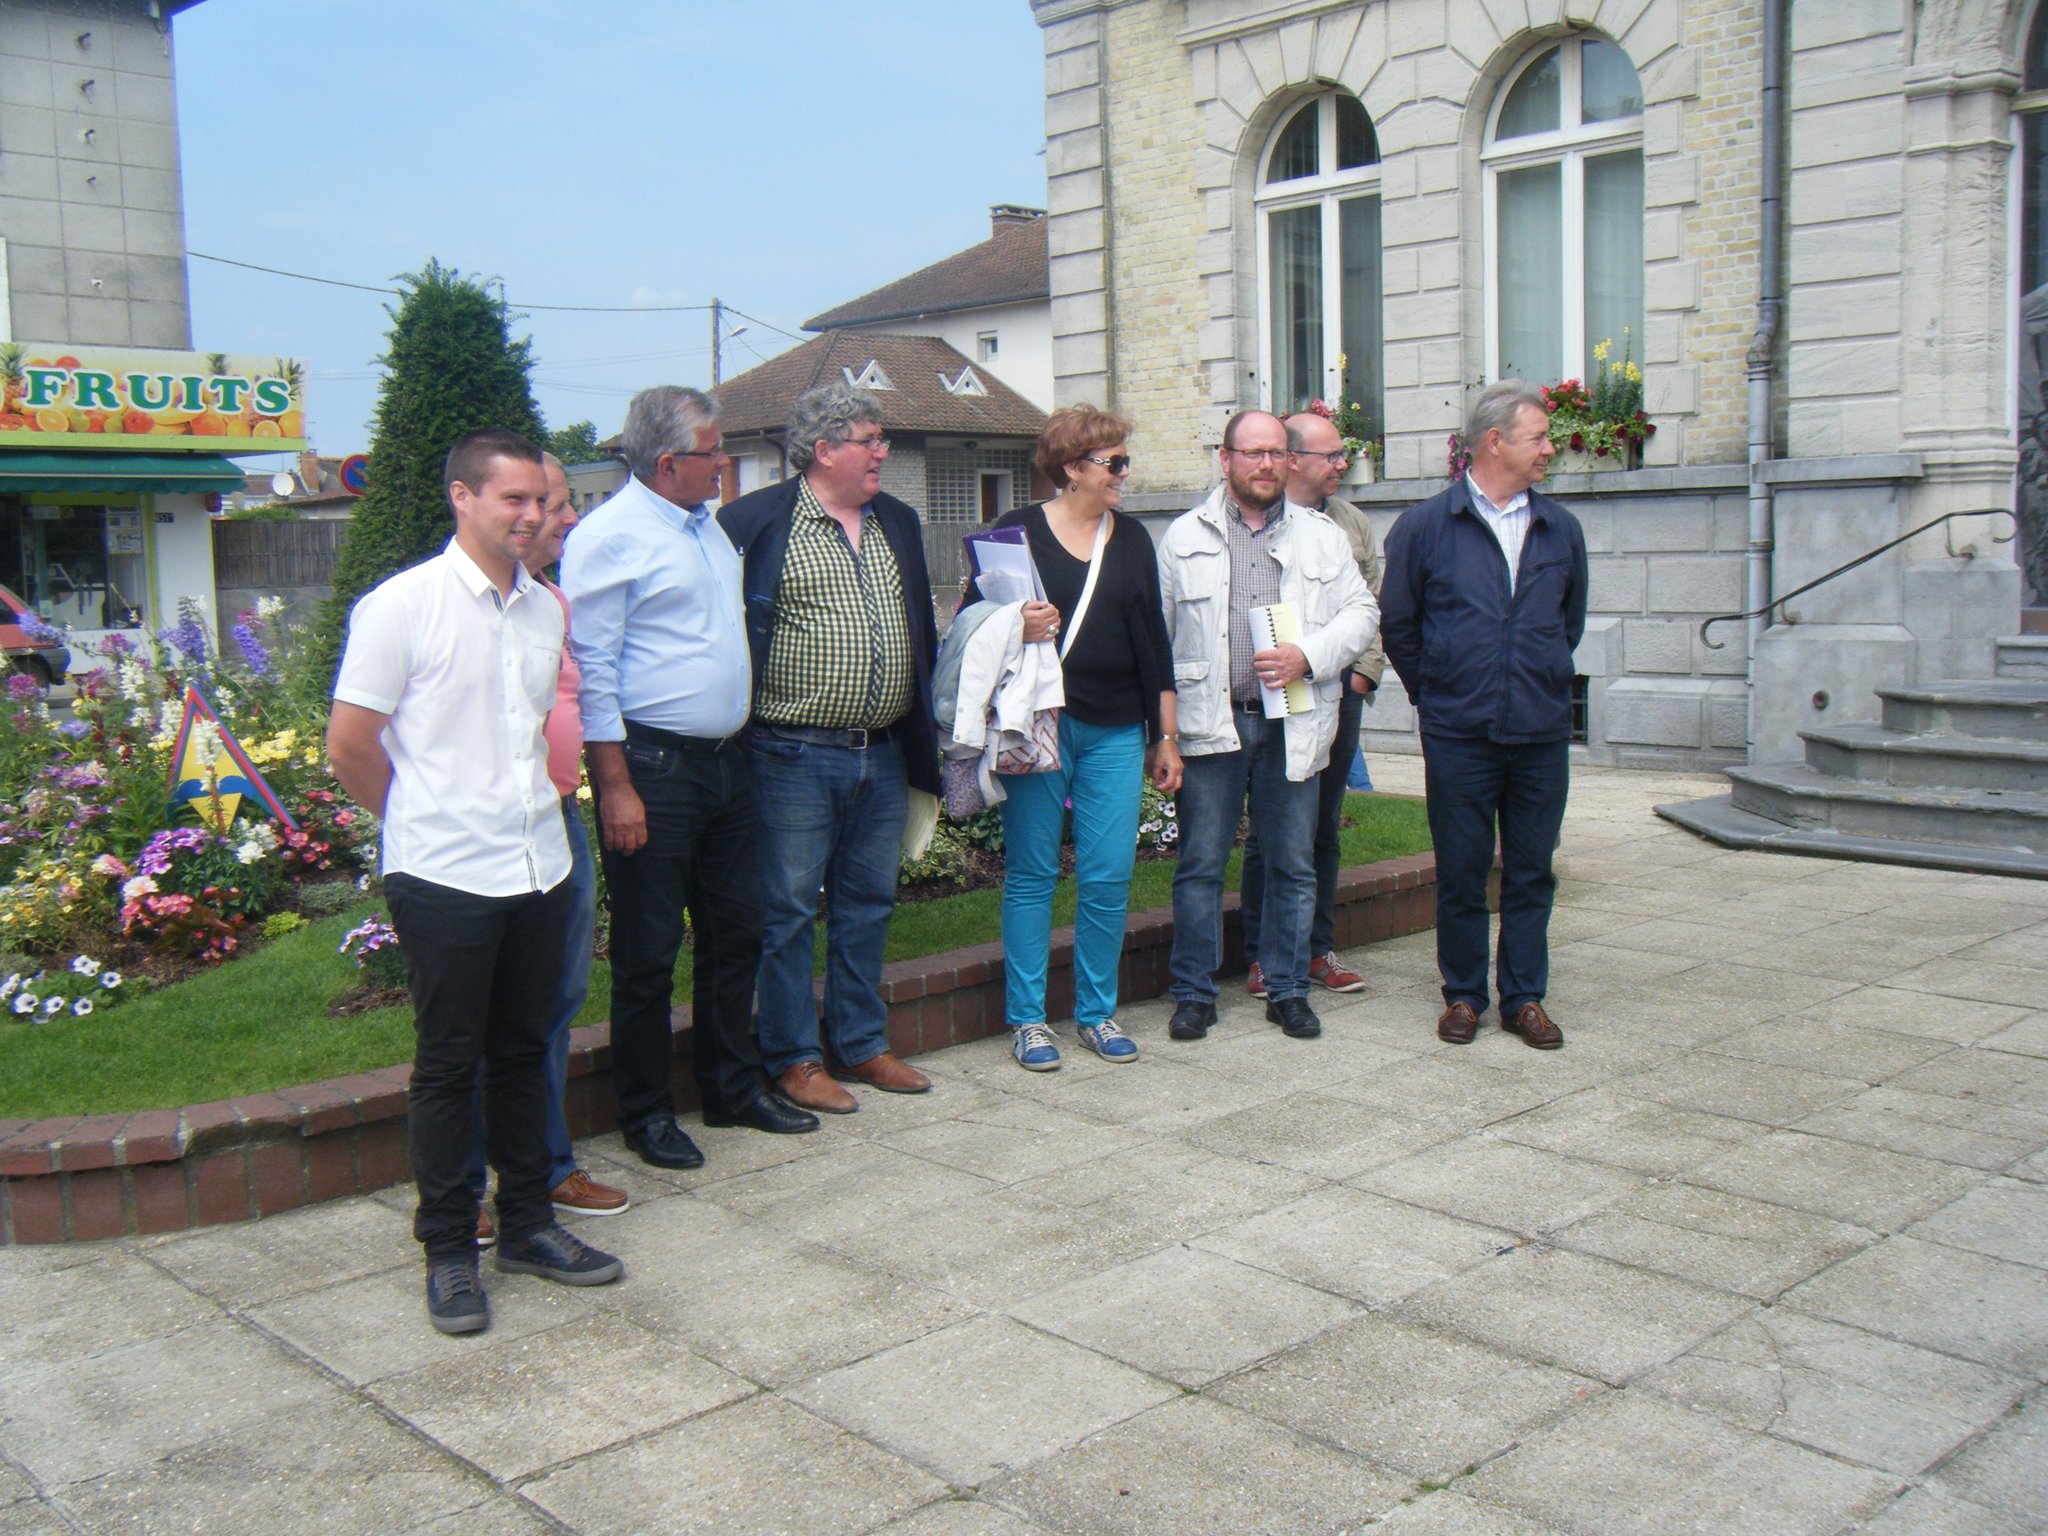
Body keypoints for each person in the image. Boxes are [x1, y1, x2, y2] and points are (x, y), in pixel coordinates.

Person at [328, 429, 622, 1336]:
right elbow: (350, 745)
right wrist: (419, 821)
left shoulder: (543, 609)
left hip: (538, 862)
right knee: (449, 1065)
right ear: (462, 498)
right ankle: (450, 1250)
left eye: (542, 500)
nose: (533, 516)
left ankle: (528, 1224)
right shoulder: (400, 607)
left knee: (527, 1050)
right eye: (513, 500)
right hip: (445, 873)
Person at [562, 386, 819, 1174]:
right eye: (713, 452)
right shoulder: (610, 538)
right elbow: (593, 669)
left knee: (736, 933)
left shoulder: (706, 526)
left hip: (727, 762)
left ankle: (731, 1088)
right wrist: (614, 786)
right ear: (669, 461)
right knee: (647, 952)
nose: (724, 464)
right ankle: (645, 1113)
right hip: (653, 768)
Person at [719, 382, 941, 1114]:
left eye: (882, 440)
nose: (882, 453)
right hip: (791, 754)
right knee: (786, 910)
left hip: (883, 750)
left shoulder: (897, 521)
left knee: (868, 903)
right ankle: (793, 1058)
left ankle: (861, 1042)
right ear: (823, 450)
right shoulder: (756, 522)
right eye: (870, 441)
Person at [959, 405, 1181, 1071]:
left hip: (1116, 731)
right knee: (1031, 873)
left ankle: (1096, 1013)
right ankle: (1029, 1021)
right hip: (1039, 726)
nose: (1124, 473)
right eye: (1114, 462)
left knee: (1109, 875)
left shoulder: (1132, 538)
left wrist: (1165, 737)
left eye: (1124, 460)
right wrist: (1015, 625)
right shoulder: (1015, 532)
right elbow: (971, 623)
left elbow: (1154, 645)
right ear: (1072, 468)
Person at [1380, 379, 1588, 1051]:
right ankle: (1464, 995)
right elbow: (1400, 624)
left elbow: (1569, 624)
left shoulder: (1561, 529)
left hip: (1540, 730)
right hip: (1458, 732)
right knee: (1462, 870)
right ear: (1495, 442)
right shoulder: (1425, 527)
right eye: (1539, 437)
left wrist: (1537, 676)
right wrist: (1438, 692)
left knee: (1532, 869)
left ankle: (1523, 998)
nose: (1550, 449)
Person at [1159, 409, 1378, 1044]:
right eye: (1252, 452)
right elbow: (1160, 639)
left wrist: (1308, 654)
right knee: (1201, 864)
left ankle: (1287, 991)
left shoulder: (1321, 536)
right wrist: (1164, 733)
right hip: (1213, 723)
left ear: (1289, 461)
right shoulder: (1183, 537)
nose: (1265, 464)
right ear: (1225, 459)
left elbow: (1363, 612)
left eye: (1276, 453)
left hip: (1294, 719)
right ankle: (1193, 994)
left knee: (1292, 862)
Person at [466, 454, 629, 1245]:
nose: (563, 519)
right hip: (480, 832)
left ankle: (545, 1164)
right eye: (552, 504)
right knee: (474, 1014)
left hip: (556, 820)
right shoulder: (447, 605)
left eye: (556, 504)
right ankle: (466, 1183)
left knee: (555, 1000)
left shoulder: (551, 604)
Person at [1240, 411, 1390, 999]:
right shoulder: (1256, 519)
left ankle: (1316, 948)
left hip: (1335, 692)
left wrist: (1362, 677)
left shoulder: (1350, 522)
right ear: (1294, 459)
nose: (1342, 465)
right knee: (1270, 832)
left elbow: (1371, 603)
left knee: (1323, 828)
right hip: (1270, 694)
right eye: (1331, 455)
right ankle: (1263, 954)